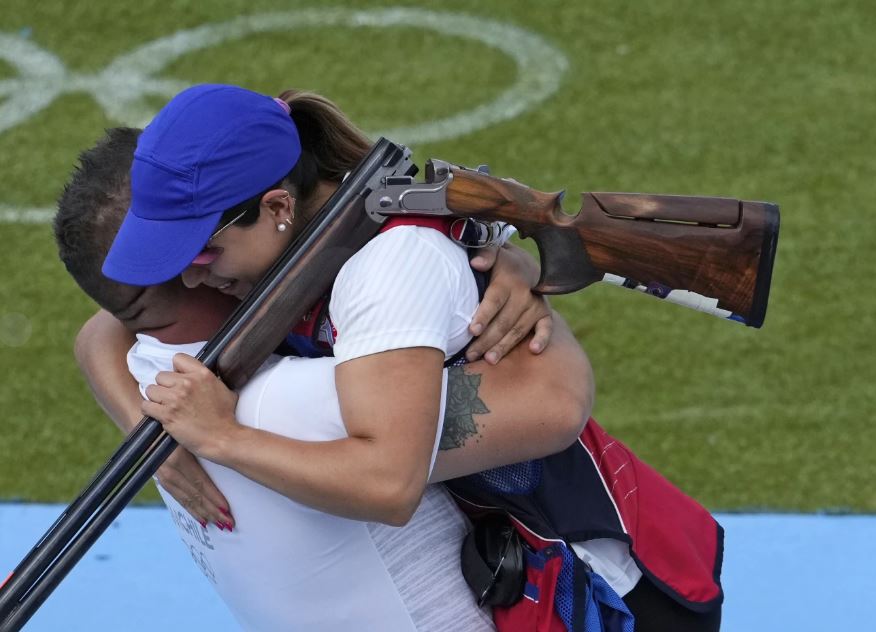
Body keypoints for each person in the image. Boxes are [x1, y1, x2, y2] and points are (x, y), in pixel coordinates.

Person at [84, 85, 723, 631]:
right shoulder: (294, 227)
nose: (190, 284)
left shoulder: (386, 272)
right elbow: (101, 331)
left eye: (198, 256)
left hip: (605, 587)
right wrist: (152, 433)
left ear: (276, 207)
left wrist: (220, 436)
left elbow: (388, 485)